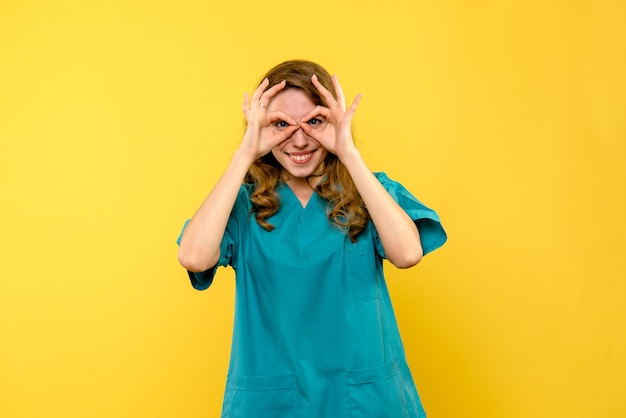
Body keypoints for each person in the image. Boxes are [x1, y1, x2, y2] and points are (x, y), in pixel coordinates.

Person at [177, 60, 447, 417]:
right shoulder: (242, 204)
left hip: (363, 400)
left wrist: (348, 152)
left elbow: (408, 253)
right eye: (281, 125)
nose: (300, 139)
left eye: (315, 122)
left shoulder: (369, 191)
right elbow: (194, 257)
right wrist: (244, 154)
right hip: (273, 401)